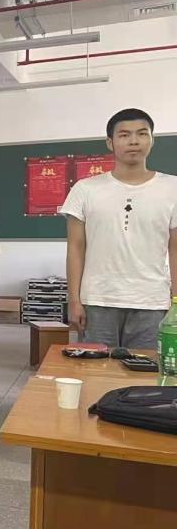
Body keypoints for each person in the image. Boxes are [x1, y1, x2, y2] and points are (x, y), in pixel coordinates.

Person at [62, 108, 177, 349]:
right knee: (95, 368)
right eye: (124, 135)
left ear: (152, 140)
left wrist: (176, 302)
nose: (134, 141)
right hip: (98, 300)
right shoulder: (85, 189)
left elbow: (175, 249)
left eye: (142, 133)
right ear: (110, 142)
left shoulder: (172, 188)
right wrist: (74, 300)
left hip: (152, 302)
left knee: (146, 370)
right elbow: (75, 248)